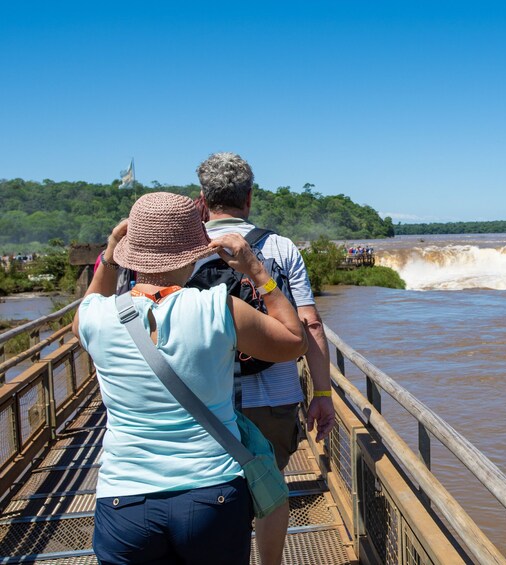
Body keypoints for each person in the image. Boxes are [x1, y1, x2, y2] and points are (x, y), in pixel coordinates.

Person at [73, 192, 308, 565]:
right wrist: (256, 271)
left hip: (124, 499)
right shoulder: (219, 308)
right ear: (195, 251)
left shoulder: (94, 317)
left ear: (129, 252)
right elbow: (295, 341)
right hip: (210, 492)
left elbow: (89, 303)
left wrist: (111, 252)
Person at [194, 152, 336, 564]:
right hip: (274, 395)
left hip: (206, 398)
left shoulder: (184, 250)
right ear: (250, 197)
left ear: (203, 198)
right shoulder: (279, 247)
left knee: (215, 492)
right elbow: (309, 324)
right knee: (270, 489)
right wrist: (322, 391)